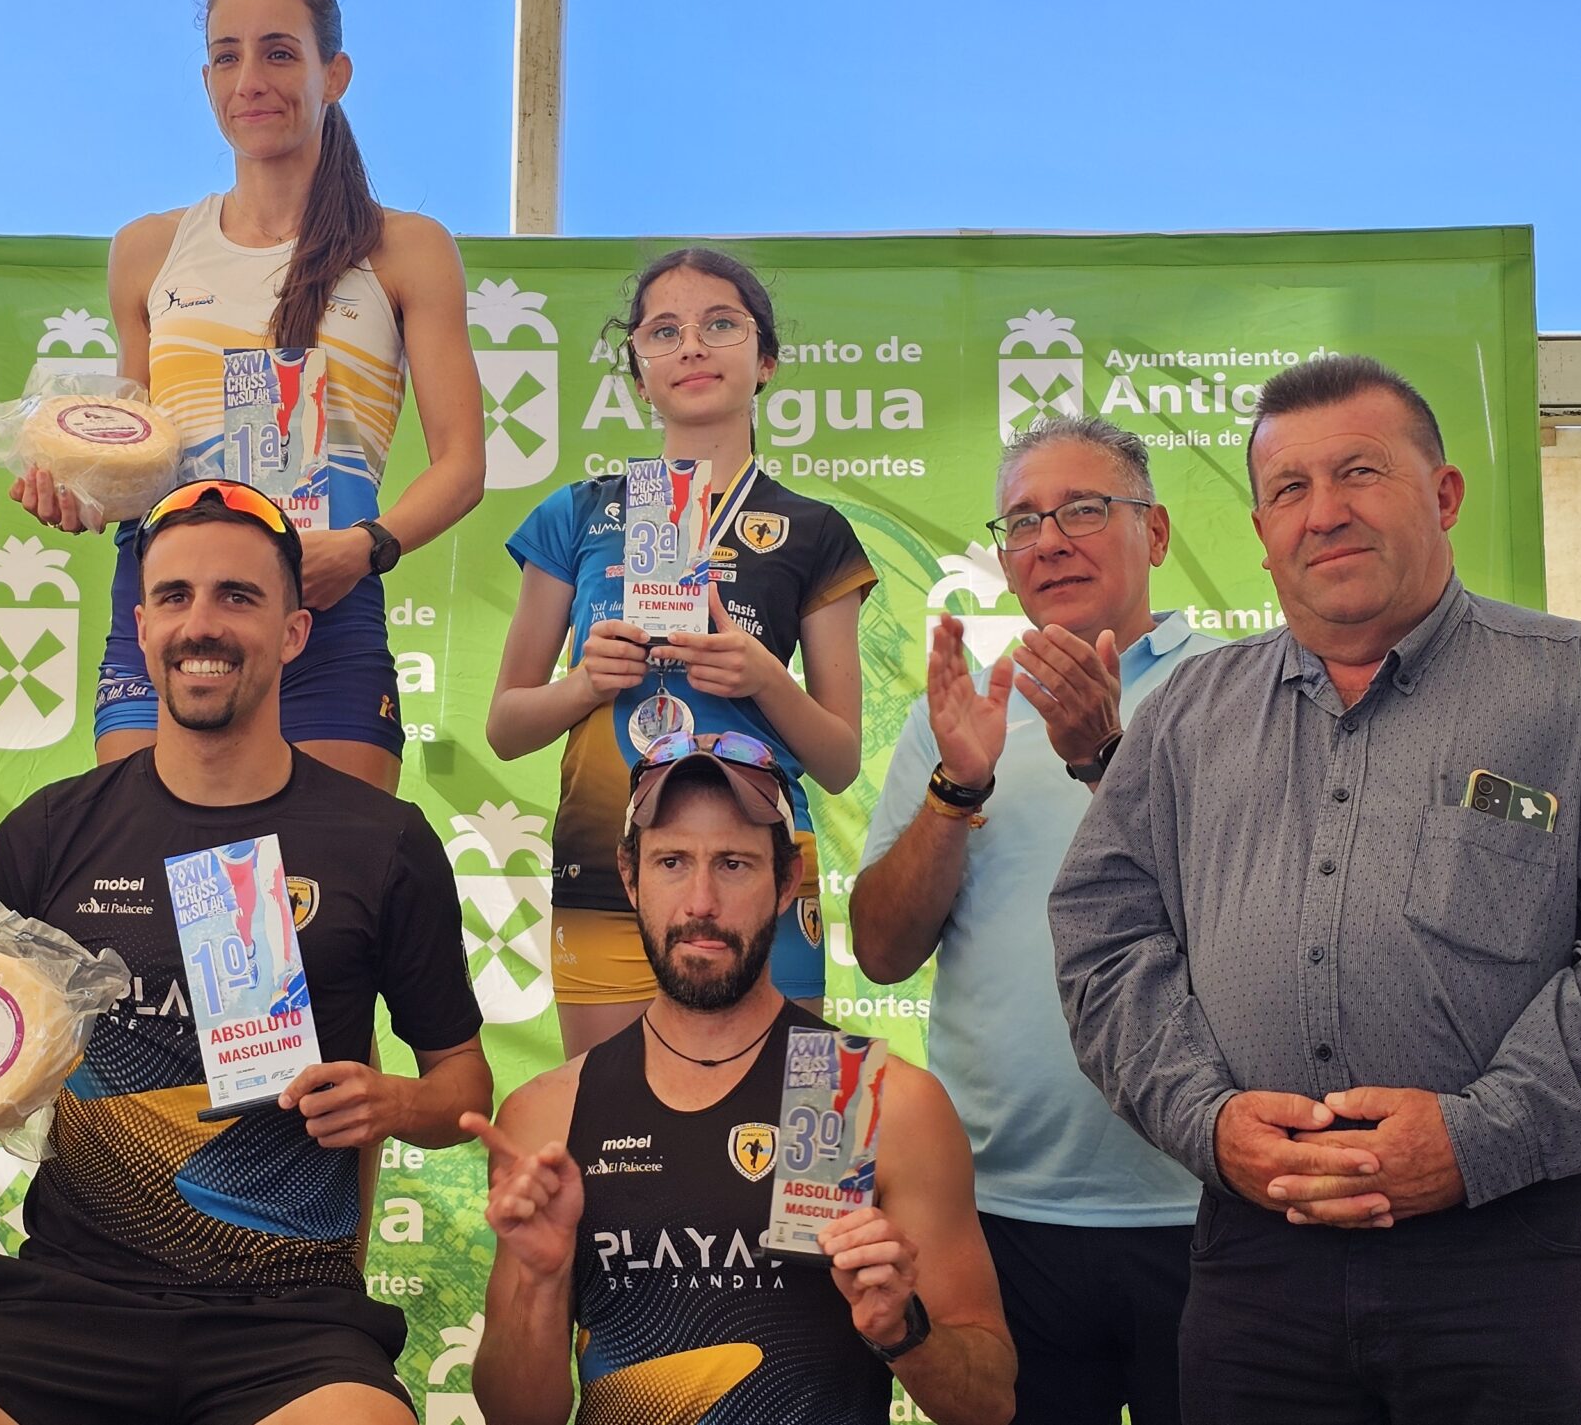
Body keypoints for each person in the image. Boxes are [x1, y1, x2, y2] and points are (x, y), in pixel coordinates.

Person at [1051, 355, 1581, 1423]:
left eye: (1359, 472)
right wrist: (1205, 1120)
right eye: (1289, 489)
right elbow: (1105, 936)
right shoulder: (1187, 716)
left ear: (1445, 494)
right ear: (1262, 532)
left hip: (1528, 1258)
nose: (1324, 512)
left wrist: (1473, 1141)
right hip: (1261, 1263)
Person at [0, 479, 491, 1425]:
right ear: (142, 627)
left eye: (238, 595)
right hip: (69, 1299)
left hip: (290, 1316)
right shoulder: (50, 831)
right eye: (174, 596)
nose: (202, 624)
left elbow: (466, 1086)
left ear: (293, 632)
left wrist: (396, 1102)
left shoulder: (383, 839)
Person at [12, 0, 486, 794]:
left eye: (279, 53)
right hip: (171, 604)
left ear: (334, 74)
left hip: (323, 602)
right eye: (227, 57)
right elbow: (139, 459)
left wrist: (365, 547)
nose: (251, 81)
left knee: (330, 868)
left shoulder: (405, 248)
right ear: (206, 82)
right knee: (150, 863)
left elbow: (462, 464)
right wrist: (82, 492)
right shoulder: (148, 249)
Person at [466, 732, 1016, 1425]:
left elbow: (990, 1401)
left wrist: (904, 1330)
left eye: (733, 863)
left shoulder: (867, 1098)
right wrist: (542, 1282)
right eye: (672, 861)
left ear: (786, 882)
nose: (701, 901)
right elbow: (516, 1417)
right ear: (630, 878)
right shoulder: (550, 1116)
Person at [849, 415, 1224, 1422]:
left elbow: (1251, 924)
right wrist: (954, 790)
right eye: (1022, 521)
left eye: (1083, 510)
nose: (1049, 540)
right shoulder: (957, 715)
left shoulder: (1238, 693)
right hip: (1000, 1215)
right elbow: (880, 951)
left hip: (1206, 1202)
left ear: (1155, 532)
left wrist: (1103, 755)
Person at [489, 248, 873, 1056]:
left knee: (767, 1120)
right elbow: (506, 726)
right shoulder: (576, 513)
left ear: (765, 361)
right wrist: (585, 682)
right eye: (664, 332)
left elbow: (840, 760)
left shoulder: (816, 531)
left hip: (761, 860)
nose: (692, 345)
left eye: (720, 324)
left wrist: (765, 678)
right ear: (638, 374)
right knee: (611, 1117)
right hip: (609, 859)